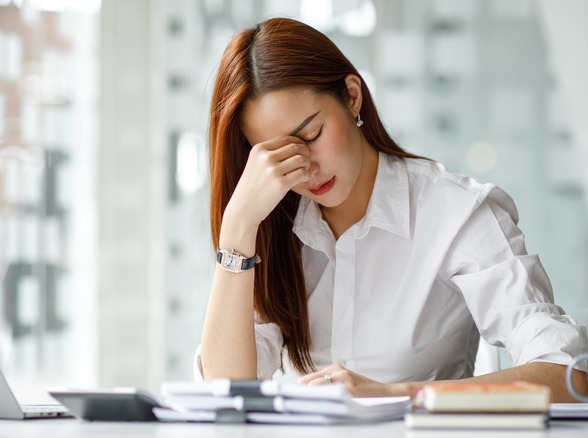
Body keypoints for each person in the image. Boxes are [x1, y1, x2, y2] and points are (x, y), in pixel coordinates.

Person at [196, 17, 588, 402]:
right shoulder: (272, 228)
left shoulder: (455, 212)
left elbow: (567, 374)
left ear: (352, 96)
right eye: (278, 158)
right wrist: (237, 227)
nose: (306, 169)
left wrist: (396, 395)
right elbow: (224, 393)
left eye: (311, 136)